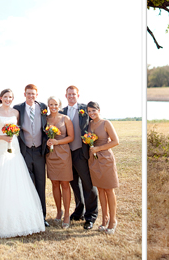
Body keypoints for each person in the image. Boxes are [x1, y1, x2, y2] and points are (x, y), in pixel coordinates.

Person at [0, 89, 45, 238]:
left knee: (16, 183)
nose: (8, 99)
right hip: (0, 150)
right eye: (5, 97)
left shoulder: (16, 113)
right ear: (0, 97)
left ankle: (19, 218)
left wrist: (9, 138)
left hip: (14, 150)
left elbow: (17, 132)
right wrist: (0, 137)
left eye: (10, 97)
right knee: (0, 184)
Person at [61, 85, 98, 229]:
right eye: (69, 94)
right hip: (67, 154)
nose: (71, 96)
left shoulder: (85, 109)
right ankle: (79, 211)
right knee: (74, 184)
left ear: (78, 95)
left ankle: (91, 216)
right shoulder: (61, 111)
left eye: (73, 94)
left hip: (81, 152)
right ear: (65, 96)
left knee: (88, 184)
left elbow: (96, 122)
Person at [13, 84, 49, 227]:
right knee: (26, 185)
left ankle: (42, 217)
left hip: (39, 151)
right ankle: (26, 216)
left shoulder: (43, 108)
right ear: (24, 94)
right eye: (28, 93)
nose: (31, 96)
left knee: (41, 184)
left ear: (37, 94)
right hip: (25, 150)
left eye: (33, 94)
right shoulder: (18, 108)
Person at [86, 102, 120, 234]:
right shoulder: (89, 124)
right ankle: (104, 219)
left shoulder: (106, 123)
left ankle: (113, 220)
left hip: (105, 159)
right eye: (89, 111)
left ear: (99, 110)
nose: (91, 113)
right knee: (100, 189)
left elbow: (116, 141)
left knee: (109, 190)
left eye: (93, 110)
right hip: (94, 160)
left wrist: (98, 148)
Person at [45, 96, 74, 229]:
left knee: (65, 184)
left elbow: (71, 137)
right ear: (48, 105)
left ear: (59, 105)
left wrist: (57, 141)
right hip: (51, 155)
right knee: (55, 183)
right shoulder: (46, 119)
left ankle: (67, 214)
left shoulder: (65, 119)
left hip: (63, 154)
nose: (53, 106)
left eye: (55, 104)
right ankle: (58, 211)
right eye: (51, 104)